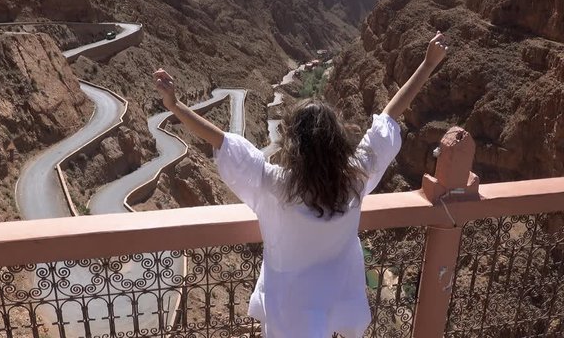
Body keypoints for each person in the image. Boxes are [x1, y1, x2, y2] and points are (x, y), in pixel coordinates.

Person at [153, 31, 448, 338]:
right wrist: (427, 64)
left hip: (288, 312)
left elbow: (223, 142)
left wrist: (175, 105)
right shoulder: (354, 178)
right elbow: (388, 118)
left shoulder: (276, 184)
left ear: (294, 143)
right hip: (337, 298)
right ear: (336, 140)